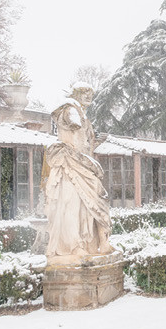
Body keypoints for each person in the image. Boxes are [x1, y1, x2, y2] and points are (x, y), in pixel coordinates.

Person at [45, 83, 115, 262]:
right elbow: (73, 126)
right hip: (70, 163)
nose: (88, 95)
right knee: (72, 206)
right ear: (75, 93)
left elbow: (87, 143)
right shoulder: (69, 110)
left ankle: (100, 243)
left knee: (96, 204)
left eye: (90, 92)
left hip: (85, 165)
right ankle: (75, 246)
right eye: (84, 92)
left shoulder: (83, 116)